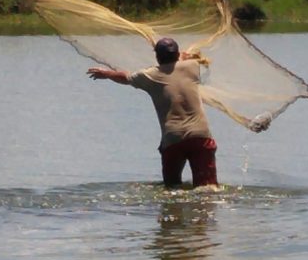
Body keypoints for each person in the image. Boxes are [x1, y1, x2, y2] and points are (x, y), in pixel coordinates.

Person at [87, 37, 218, 187]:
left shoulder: (149, 75)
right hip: (200, 136)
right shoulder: (193, 66)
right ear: (177, 54)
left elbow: (125, 77)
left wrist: (107, 74)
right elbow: (188, 59)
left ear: (157, 57)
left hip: (172, 139)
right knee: (208, 188)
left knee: (172, 187)